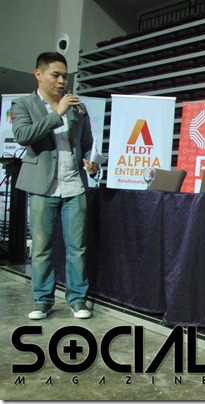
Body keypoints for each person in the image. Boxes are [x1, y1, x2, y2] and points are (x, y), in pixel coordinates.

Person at [12, 52, 100, 320]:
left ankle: (77, 300)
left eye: (65, 76)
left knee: (77, 248)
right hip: (43, 187)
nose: (62, 81)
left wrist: (92, 163)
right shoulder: (23, 104)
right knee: (41, 248)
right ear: (38, 74)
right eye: (56, 75)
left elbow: (86, 143)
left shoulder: (77, 107)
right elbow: (23, 136)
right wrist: (57, 113)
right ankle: (42, 300)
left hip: (74, 186)